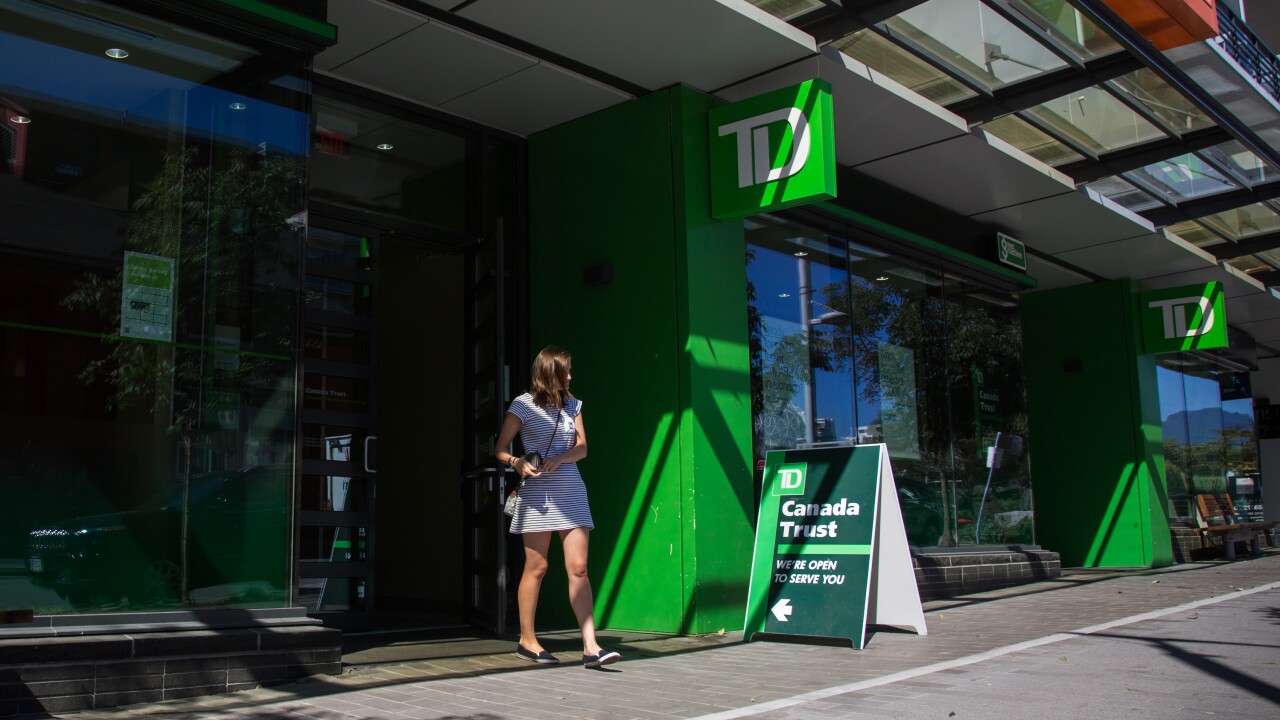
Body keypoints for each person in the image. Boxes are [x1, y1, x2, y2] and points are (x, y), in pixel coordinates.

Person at [494, 346, 620, 669]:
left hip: (571, 491)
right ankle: (527, 640)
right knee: (537, 568)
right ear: (548, 372)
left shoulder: (573, 404)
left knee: (579, 568)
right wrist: (517, 461)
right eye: (565, 370)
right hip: (537, 494)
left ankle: (591, 645)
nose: (569, 376)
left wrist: (561, 458)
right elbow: (500, 449)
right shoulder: (522, 405)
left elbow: (583, 447)